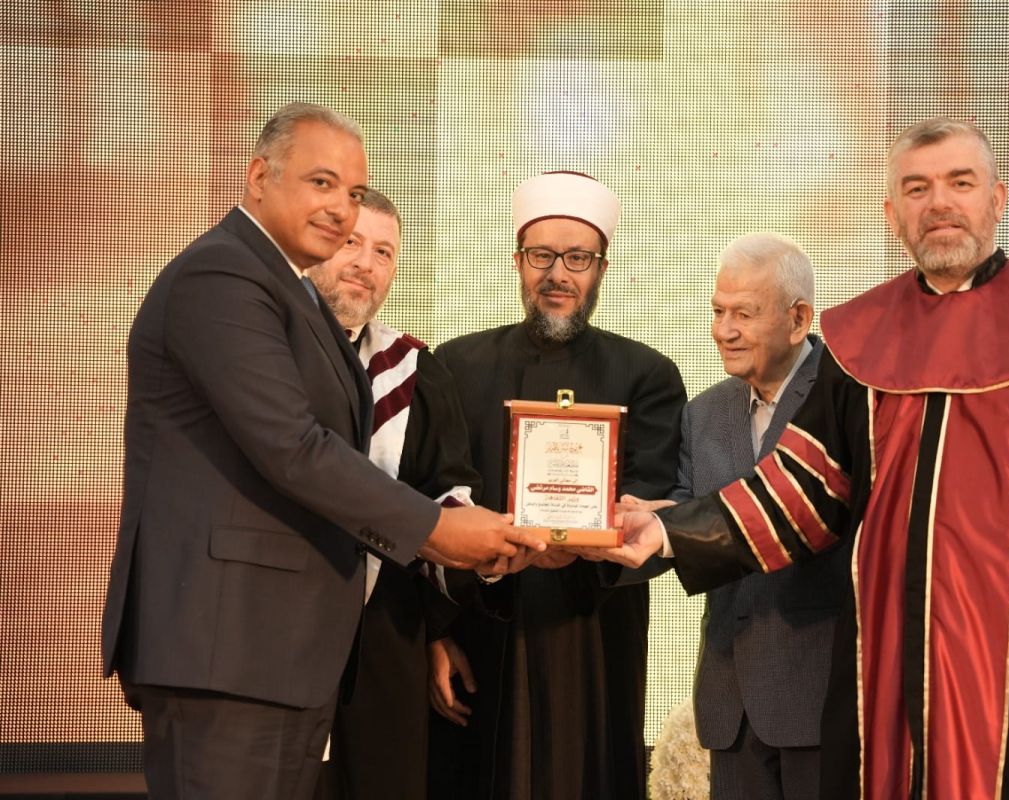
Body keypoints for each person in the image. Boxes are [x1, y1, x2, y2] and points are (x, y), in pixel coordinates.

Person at [608, 118, 1009, 799]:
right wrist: (669, 531)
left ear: (997, 199)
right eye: (917, 188)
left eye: (959, 183)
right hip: (887, 657)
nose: (938, 203)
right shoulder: (861, 338)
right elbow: (801, 490)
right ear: (892, 215)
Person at [101, 103, 541, 800]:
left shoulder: (289, 292)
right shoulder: (224, 277)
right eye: (322, 183)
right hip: (228, 648)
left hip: (279, 653)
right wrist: (435, 530)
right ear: (259, 177)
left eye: (355, 193)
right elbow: (293, 448)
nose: (341, 208)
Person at [427, 171, 687, 799]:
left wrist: (592, 539)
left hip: (593, 632)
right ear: (518, 262)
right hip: (479, 620)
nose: (558, 275)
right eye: (542, 255)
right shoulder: (455, 365)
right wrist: (434, 629)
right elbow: (430, 499)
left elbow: (661, 507)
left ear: (601, 269)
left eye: (577, 258)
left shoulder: (647, 373)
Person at [306, 188, 481, 799]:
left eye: (384, 252)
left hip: (385, 632)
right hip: (278, 622)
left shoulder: (415, 371)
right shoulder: (267, 352)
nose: (366, 263)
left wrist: (441, 621)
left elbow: (447, 491)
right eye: (351, 242)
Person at [662, 232, 849, 800]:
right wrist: (623, 525)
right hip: (731, 704)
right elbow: (683, 519)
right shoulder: (703, 413)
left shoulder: (846, 395)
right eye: (718, 311)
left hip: (821, 698)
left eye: (743, 314)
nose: (723, 330)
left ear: (798, 319)